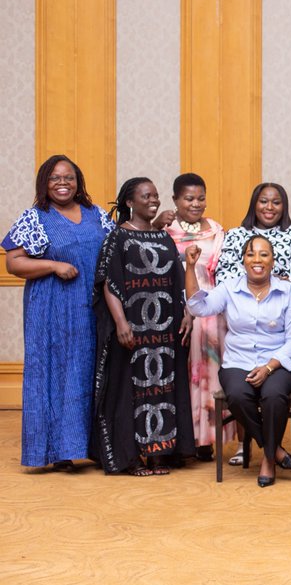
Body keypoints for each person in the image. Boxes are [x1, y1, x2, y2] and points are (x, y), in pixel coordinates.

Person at [3, 155, 115, 469]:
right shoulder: (36, 217)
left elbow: (119, 246)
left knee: (91, 372)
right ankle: (58, 451)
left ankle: (95, 447)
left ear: (78, 182)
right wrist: (53, 265)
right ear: (45, 183)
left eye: (68, 178)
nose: (62, 183)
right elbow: (13, 262)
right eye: (55, 178)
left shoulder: (96, 215)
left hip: (93, 309)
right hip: (53, 310)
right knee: (58, 373)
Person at [91, 178, 195, 475]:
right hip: (133, 331)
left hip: (165, 331)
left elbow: (177, 281)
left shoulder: (164, 238)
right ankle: (132, 457)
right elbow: (109, 283)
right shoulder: (118, 237)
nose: (153, 201)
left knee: (163, 389)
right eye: (146, 196)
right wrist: (121, 322)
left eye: (155, 196)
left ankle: (160, 453)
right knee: (132, 391)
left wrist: (187, 312)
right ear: (129, 202)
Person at [186, 235, 291, 487]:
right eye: (251, 254)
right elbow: (198, 307)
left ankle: (268, 461)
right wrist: (190, 267)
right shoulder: (229, 288)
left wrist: (269, 367)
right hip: (238, 361)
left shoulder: (288, 293)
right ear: (243, 260)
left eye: (264, 254)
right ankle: (272, 449)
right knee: (238, 395)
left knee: (273, 395)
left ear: (273, 261)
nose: (257, 260)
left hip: (279, 362)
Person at [160, 173, 233, 461]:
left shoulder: (216, 230)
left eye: (200, 198)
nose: (195, 203)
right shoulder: (166, 230)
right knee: (181, 373)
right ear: (175, 200)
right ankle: (182, 439)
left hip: (211, 312)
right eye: (188, 198)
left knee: (209, 375)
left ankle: (206, 440)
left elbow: (224, 272)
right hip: (177, 310)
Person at [216, 182, 291, 285]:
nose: (269, 207)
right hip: (243, 295)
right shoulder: (235, 235)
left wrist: (282, 284)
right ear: (254, 204)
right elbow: (224, 276)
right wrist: (268, 282)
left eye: (276, 203)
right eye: (263, 201)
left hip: (287, 294)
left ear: (284, 207)